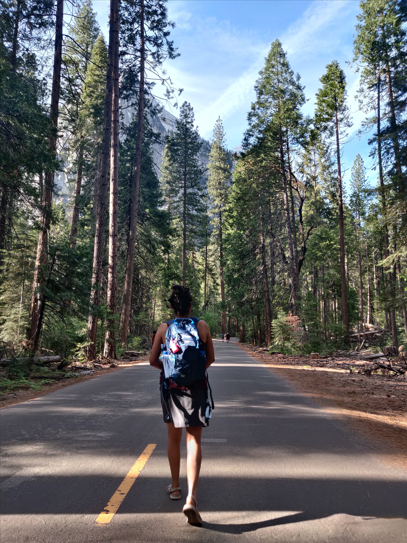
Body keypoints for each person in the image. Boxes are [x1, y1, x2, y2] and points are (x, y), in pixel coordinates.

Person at [149, 285, 215, 526]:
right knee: (194, 440)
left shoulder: (164, 328)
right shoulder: (202, 326)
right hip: (196, 388)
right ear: (191, 306)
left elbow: (152, 360)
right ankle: (192, 498)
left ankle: (175, 488)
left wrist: (170, 372)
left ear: (171, 307)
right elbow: (211, 358)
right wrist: (194, 373)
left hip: (171, 388)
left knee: (173, 438)